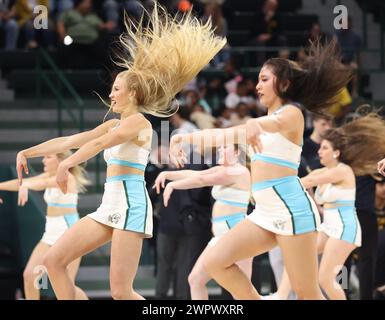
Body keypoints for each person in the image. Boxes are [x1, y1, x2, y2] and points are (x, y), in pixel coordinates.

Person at [15, 2, 226, 300]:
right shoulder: (114, 123)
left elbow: (98, 145)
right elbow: (71, 141)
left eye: (116, 88)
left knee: (121, 291)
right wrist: (28, 152)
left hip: (131, 206)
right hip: (109, 205)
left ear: (134, 94)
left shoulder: (139, 122)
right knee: (53, 262)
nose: (111, 93)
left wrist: (66, 165)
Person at [169, 38, 352, 299]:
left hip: (292, 211)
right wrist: (183, 138)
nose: (257, 85)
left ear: (284, 84)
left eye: (264, 79)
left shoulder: (293, 114)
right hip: (264, 212)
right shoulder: (258, 123)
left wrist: (255, 124)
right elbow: (223, 134)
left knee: (306, 292)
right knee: (215, 262)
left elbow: (271, 123)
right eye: (258, 79)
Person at [154, 144, 252, 299]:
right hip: (220, 236)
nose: (220, 150)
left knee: (242, 292)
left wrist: (173, 185)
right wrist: (167, 174)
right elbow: (194, 173)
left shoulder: (239, 171)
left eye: (225, 147)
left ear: (236, 152)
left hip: (236, 235)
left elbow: (201, 180)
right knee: (195, 280)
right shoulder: (222, 169)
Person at [0, 152, 88, 300]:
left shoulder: (67, 177)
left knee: (67, 286)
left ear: (61, 160)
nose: (43, 161)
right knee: (29, 276)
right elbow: (22, 182)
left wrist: (26, 185)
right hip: (50, 233)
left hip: (69, 233)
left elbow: (40, 184)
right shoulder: (48, 176)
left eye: (48, 157)